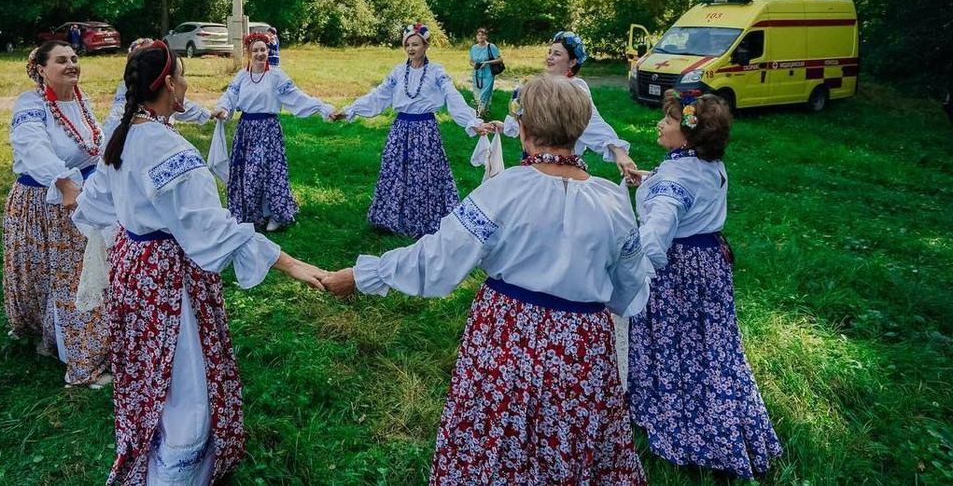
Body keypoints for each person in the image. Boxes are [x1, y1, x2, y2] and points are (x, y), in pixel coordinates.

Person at [322, 75, 650, 485]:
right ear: (580, 130)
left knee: (494, 435)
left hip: (506, 336)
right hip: (581, 348)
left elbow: (436, 260)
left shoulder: (503, 191)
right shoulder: (614, 203)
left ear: (524, 131)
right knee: (571, 436)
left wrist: (362, 274)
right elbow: (629, 290)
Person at [72, 40, 326, 485]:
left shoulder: (122, 133)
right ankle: (176, 472)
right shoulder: (172, 153)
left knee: (148, 368)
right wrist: (291, 264)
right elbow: (213, 231)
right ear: (170, 85)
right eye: (183, 76)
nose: (187, 84)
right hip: (168, 277)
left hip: (133, 267)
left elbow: (93, 204)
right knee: (184, 377)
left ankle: (151, 450)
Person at [629, 90, 782, 478]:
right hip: (710, 262)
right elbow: (686, 194)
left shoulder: (677, 175)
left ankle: (684, 425)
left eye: (670, 119)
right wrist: (647, 179)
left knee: (674, 343)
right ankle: (726, 418)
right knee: (711, 345)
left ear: (690, 132)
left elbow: (659, 229)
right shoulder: (707, 163)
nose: (661, 123)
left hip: (679, 270)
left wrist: (633, 266)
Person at [3, 40, 110, 387]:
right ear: (41, 69)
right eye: (61, 60)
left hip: (85, 198)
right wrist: (64, 184)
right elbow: (32, 147)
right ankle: (80, 360)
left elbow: (97, 145)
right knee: (65, 277)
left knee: (83, 275)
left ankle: (80, 343)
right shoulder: (31, 104)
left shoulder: (81, 101)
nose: (71, 65)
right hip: (47, 201)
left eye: (75, 59)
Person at [333, 23, 492, 239]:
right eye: (407, 44)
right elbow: (378, 96)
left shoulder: (437, 72)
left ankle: (425, 218)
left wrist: (473, 122)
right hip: (400, 130)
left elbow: (452, 96)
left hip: (425, 131)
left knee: (424, 173)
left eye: (415, 44)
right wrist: (350, 110)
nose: (411, 49)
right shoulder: (398, 72)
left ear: (426, 45)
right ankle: (391, 218)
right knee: (396, 170)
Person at [212, 32, 335, 231]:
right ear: (248, 53)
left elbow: (297, 97)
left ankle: (275, 214)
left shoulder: (276, 76)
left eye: (263, 49)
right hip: (246, 131)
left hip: (268, 130)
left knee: (267, 173)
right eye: (255, 50)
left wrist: (323, 108)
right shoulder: (242, 76)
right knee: (248, 175)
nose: (260, 54)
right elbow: (229, 97)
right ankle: (252, 215)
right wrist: (223, 109)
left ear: (268, 51)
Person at [495, 30, 638, 179]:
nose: (550, 57)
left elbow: (594, 124)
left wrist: (618, 151)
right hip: (533, 163)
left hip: (562, 168)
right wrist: (504, 126)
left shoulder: (575, 90)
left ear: (572, 62)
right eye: (550, 52)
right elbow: (529, 123)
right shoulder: (538, 87)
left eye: (557, 54)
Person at [104, 37, 211, 141]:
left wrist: (208, 113)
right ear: (170, 84)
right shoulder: (172, 147)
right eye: (180, 75)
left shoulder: (118, 135)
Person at [468, 27, 503, 117]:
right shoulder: (474, 48)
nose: (480, 37)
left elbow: (500, 59)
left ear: (486, 36)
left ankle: (480, 114)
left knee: (484, 94)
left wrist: (487, 62)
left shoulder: (491, 46)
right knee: (477, 94)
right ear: (476, 36)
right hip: (476, 74)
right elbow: (471, 61)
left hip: (488, 74)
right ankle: (484, 111)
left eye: (482, 35)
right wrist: (474, 65)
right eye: (479, 35)